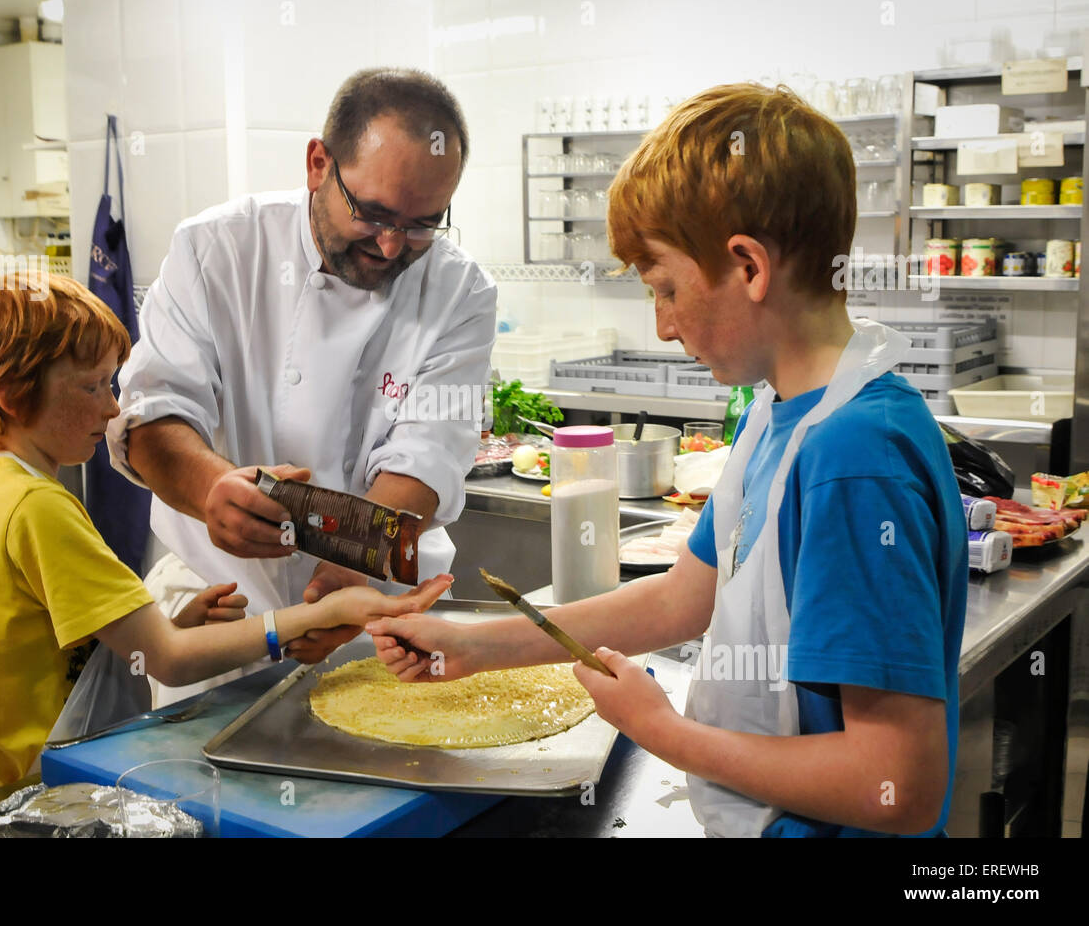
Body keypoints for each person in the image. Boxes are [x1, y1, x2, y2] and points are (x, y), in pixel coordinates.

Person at [368, 84, 968, 838]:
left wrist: (666, 732)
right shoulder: (779, 414)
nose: (661, 325)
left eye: (666, 288)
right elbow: (682, 598)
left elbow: (897, 783)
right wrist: (474, 642)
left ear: (748, 265)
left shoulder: (854, 457)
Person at [0, 272, 452, 786]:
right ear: (10, 395)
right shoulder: (40, 508)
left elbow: (74, 647)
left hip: (19, 766)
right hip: (57, 774)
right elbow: (167, 663)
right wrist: (318, 613)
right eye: (92, 386)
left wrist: (177, 623)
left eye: (110, 383)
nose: (113, 407)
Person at [107, 68, 495, 686]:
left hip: (378, 610)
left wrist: (350, 569)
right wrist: (214, 491)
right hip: (220, 611)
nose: (393, 246)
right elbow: (154, 414)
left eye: (423, 223)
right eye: (373, 213)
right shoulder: (217, 250)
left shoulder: (461, 290)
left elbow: (427, 457)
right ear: (319, 164)